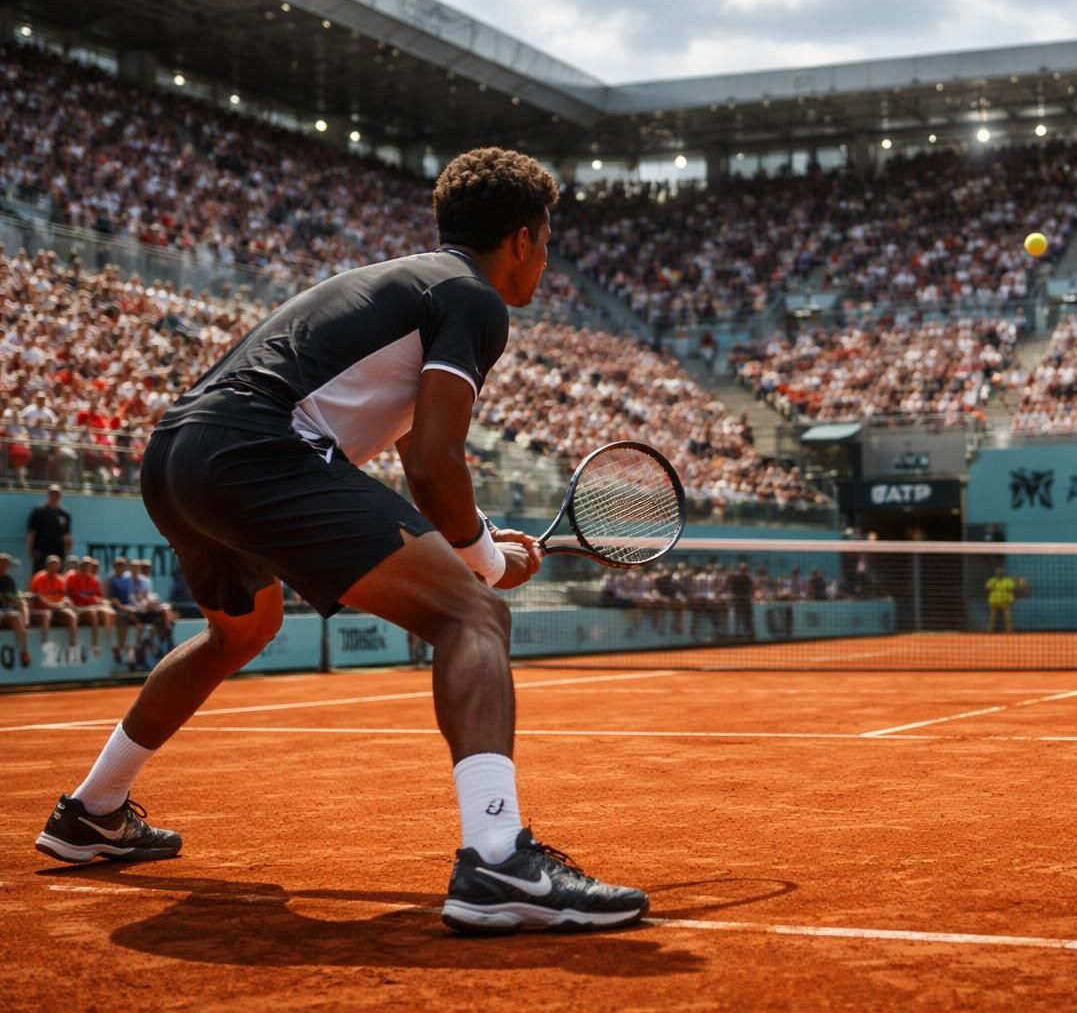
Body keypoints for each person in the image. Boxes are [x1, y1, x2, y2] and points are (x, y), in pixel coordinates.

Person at [34, 148, 647, 935]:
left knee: (241, 630)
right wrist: (486, 567)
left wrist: (480, 539)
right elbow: (431, 462)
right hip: (257, 453)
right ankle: (499, 860)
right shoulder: (474, 299)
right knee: (473, 617)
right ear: (522, 240)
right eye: (549, 243)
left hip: (177, 455)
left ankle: (92, 810)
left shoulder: (404, 281)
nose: (546, 262)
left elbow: (400, 451)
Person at [64, 555, 117, 658]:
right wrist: (94, 600)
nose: (86, 568)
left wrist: (99, 601)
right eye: (84, 565)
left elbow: (100, 596)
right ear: (80, 566)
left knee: (111, 612)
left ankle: (110, 641)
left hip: (90, 606)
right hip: (77, 608)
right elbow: (78, 596)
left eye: (88, 566)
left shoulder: (93, 579)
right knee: (93, 613)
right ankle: (94, 644)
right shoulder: (72, 577)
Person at [28, 554, 80, 653]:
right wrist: (55, 605)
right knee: (46, 615)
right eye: (51, 564)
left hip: (56, 610)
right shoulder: (39, 577)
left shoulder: (61, 579)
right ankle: (45, 643)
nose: (54, 566)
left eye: (56, 564)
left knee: (72, 615)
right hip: (39, 610)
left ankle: (73, 645)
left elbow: (64, 597)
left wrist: (62, 604)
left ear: (60, 566)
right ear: (47, 565)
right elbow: (40, 598)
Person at [26, 484, 72, 575]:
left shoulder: (64, 514)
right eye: (52, 494)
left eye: (57, 495)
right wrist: (30, 550)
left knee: (57, 578)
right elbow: (32, 532)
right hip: (41, 551)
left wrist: (68, 551)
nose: (54, 497)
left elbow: (67, 536)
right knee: (39, 575)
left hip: (58, 552)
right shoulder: (39, 511)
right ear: (48, 495)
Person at [0, 552, 33, 667]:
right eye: (2, 562)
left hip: (7, 611)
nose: (4, 565)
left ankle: (24, 652)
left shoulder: (9, 580)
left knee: (17, 617)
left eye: (6, 563)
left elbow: (12, 599)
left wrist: (17, 600)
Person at [985, 564, 1017, 633]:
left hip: (1005, 602)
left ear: (1003, 573)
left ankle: (1009, 631)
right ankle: (990, 631)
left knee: (1007, 619)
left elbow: (1012, 588)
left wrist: (1015, 581)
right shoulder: (992, 580)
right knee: (992, 619)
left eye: (1001, 572)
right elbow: (987, 587)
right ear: (996, 573)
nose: (999, 573)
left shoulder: (1007, 581)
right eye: (998, 572)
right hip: (995, 602)